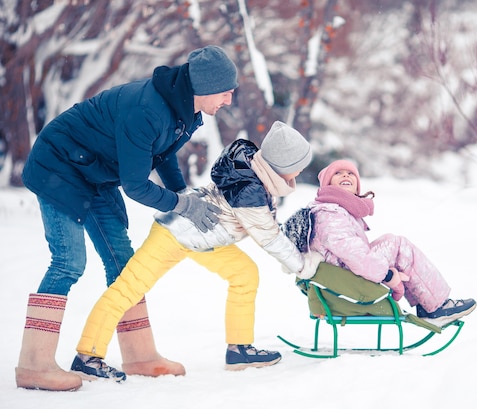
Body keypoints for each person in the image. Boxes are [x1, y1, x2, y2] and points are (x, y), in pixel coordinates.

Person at [16, 45, 238, 391]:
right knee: (68, 262)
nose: (229, 100)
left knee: (123, 261)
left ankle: (139, 356)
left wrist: (184, 196)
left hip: (95, 171)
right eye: (226, 92)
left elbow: (161, 154)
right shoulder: (146, 109)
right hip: (59, 165)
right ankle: (34, 365)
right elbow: (136, 186)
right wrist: (182, 206)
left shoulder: (184, 109)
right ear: (205, 87)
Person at [70, 121, 322, 381]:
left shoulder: (252, 171)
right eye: (298, 167)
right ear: (283, 166)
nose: (300, 173)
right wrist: (302, 265)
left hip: (204, 238)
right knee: (127, 289)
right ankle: (87, 357)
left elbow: (266, 225)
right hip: (174, 234)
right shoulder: (250, 190)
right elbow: (269, 237)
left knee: (244, 273)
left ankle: (239, 350)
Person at [306, 159, 476, 327]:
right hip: (346, 276)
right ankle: (436, 306)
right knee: (400, 247)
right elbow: (355, 256)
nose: (346, 175)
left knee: (392, 241)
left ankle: (428, 304)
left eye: (351, 173)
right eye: (338, 173)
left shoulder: (337, 210)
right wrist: (387, 275)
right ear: (327, 183)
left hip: (344, 270)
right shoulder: (330, 214)